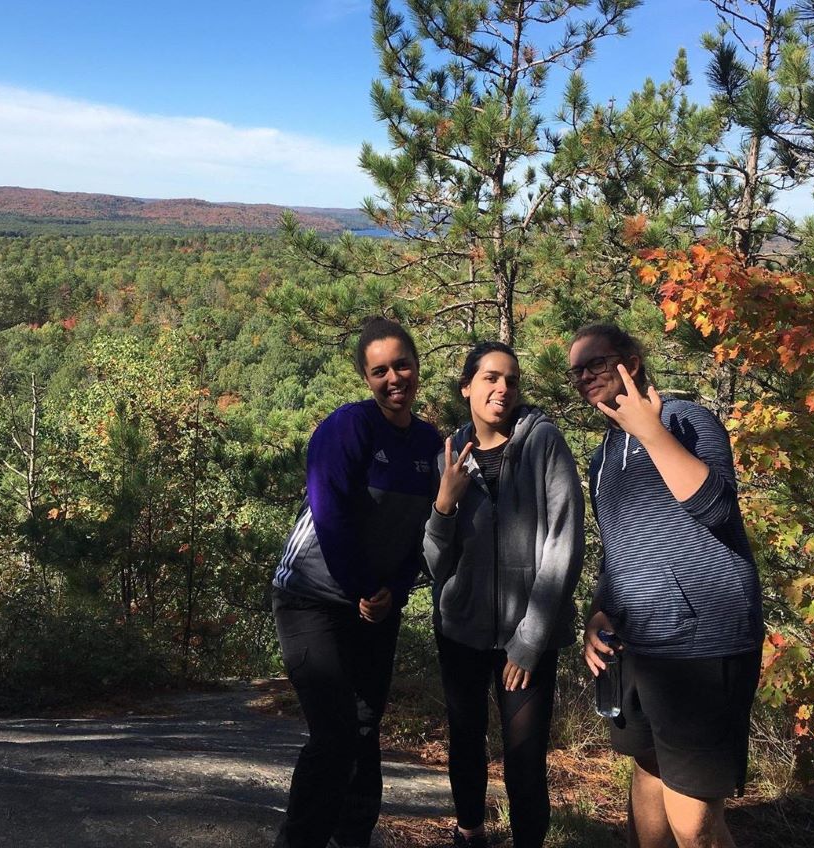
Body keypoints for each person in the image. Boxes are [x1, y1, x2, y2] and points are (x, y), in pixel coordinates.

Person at [567, 323, 764, 848]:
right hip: (638, 646)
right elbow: (618, 547)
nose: (585, 376)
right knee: (648, 769)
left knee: (694, 825)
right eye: (577, 371)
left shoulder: (684, 419)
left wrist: (650, 432)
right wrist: (600, 611)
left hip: (703, 645)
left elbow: (717, 508)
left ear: (630, 360)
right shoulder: (603, 455)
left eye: (596, 363)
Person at [271, 317, 443, 848]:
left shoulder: (430, 445)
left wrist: (390, 586)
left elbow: (425, 529)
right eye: (380, 370)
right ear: (366, 378)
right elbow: (331, 514)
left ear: (417, 366)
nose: (395, 378)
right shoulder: (348, 428)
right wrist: (366, 587)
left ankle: (353, 838)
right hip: (311, 597)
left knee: (366, 728)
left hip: (374, 601)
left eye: (402, 365)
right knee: (336, 734)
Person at [423, 341, 585, 848]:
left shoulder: (544, 444)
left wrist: (530, 638)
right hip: (461, 631)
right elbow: (432, 563)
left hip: (528, 637)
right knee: (465, 741)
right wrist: (443, 506)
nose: (503, 388)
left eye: (511, 380)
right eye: (491, 378)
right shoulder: (449, 455)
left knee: (525, 752)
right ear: (467, 386)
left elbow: (564, 541)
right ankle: (469, 831)